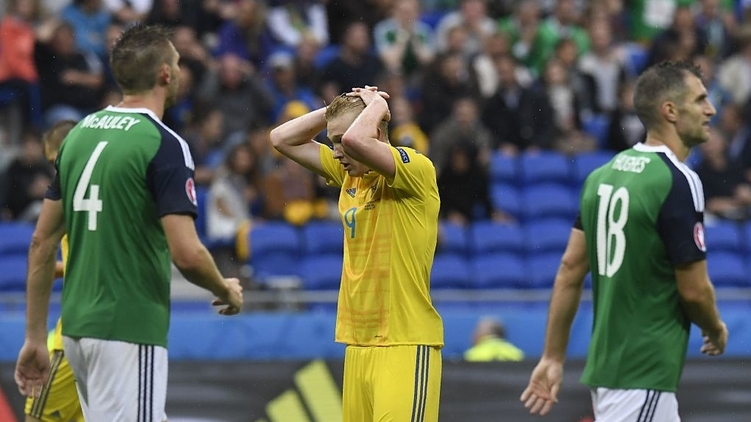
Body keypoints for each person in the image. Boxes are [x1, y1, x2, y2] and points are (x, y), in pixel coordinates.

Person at [15, 24, 244, 421]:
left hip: (76, 331)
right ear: (166, 74)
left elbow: (41, 243)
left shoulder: (78, 136)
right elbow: (187, 254)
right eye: (177, 62)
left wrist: (35, 337)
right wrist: (225, 288)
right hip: (128, 327)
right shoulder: (164, 144)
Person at [521, 60, 728, 420]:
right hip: (643, 372)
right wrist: (716, 328)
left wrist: (552, 357)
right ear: (670, 111)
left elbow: (570, 269)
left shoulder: (602, 176)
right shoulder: (678, 180)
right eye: (700, 100)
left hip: (610, 372)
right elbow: (694, 290)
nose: (710, 110)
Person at [270, 85, 444, 421]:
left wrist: (376, 103)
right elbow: (281, 138)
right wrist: (335, 111)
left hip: (405, 344)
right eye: (332, 141)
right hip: (359, 345)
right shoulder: (351, 177)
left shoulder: (416, 170)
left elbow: (356, 142)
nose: (337, 152)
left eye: (340, 140)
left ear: (375, 130)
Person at [23, 120, 83, 422]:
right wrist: (60, 268)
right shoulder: (103, 193)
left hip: (74, 336)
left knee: (37, 417)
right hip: (119, 334)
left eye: (56, 160)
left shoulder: (69, 195)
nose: (55, 170)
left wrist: (45, 264)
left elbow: (40, 245)